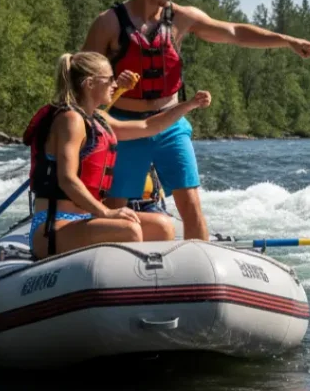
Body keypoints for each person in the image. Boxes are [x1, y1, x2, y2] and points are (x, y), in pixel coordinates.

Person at [82, 0, 310, 241]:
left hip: (170, 124)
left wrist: (286, 41)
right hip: (125, 126)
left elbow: (234, 32)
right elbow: (83, 78)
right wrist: (111, 90)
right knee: (115, 206)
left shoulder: (182, 19)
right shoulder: (108, 23)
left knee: (192, 205)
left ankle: (198, 268)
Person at [23, 51, 212, 259]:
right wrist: (106, 212)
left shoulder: (98, 118)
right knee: (128, 231)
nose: (115, 84)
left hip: (85, 219)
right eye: (109, 79)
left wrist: (189, 105)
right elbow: (67, 180)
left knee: (163, 226)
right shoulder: (70, 119)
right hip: (54, 226)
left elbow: (149, 126)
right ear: (90, 84)